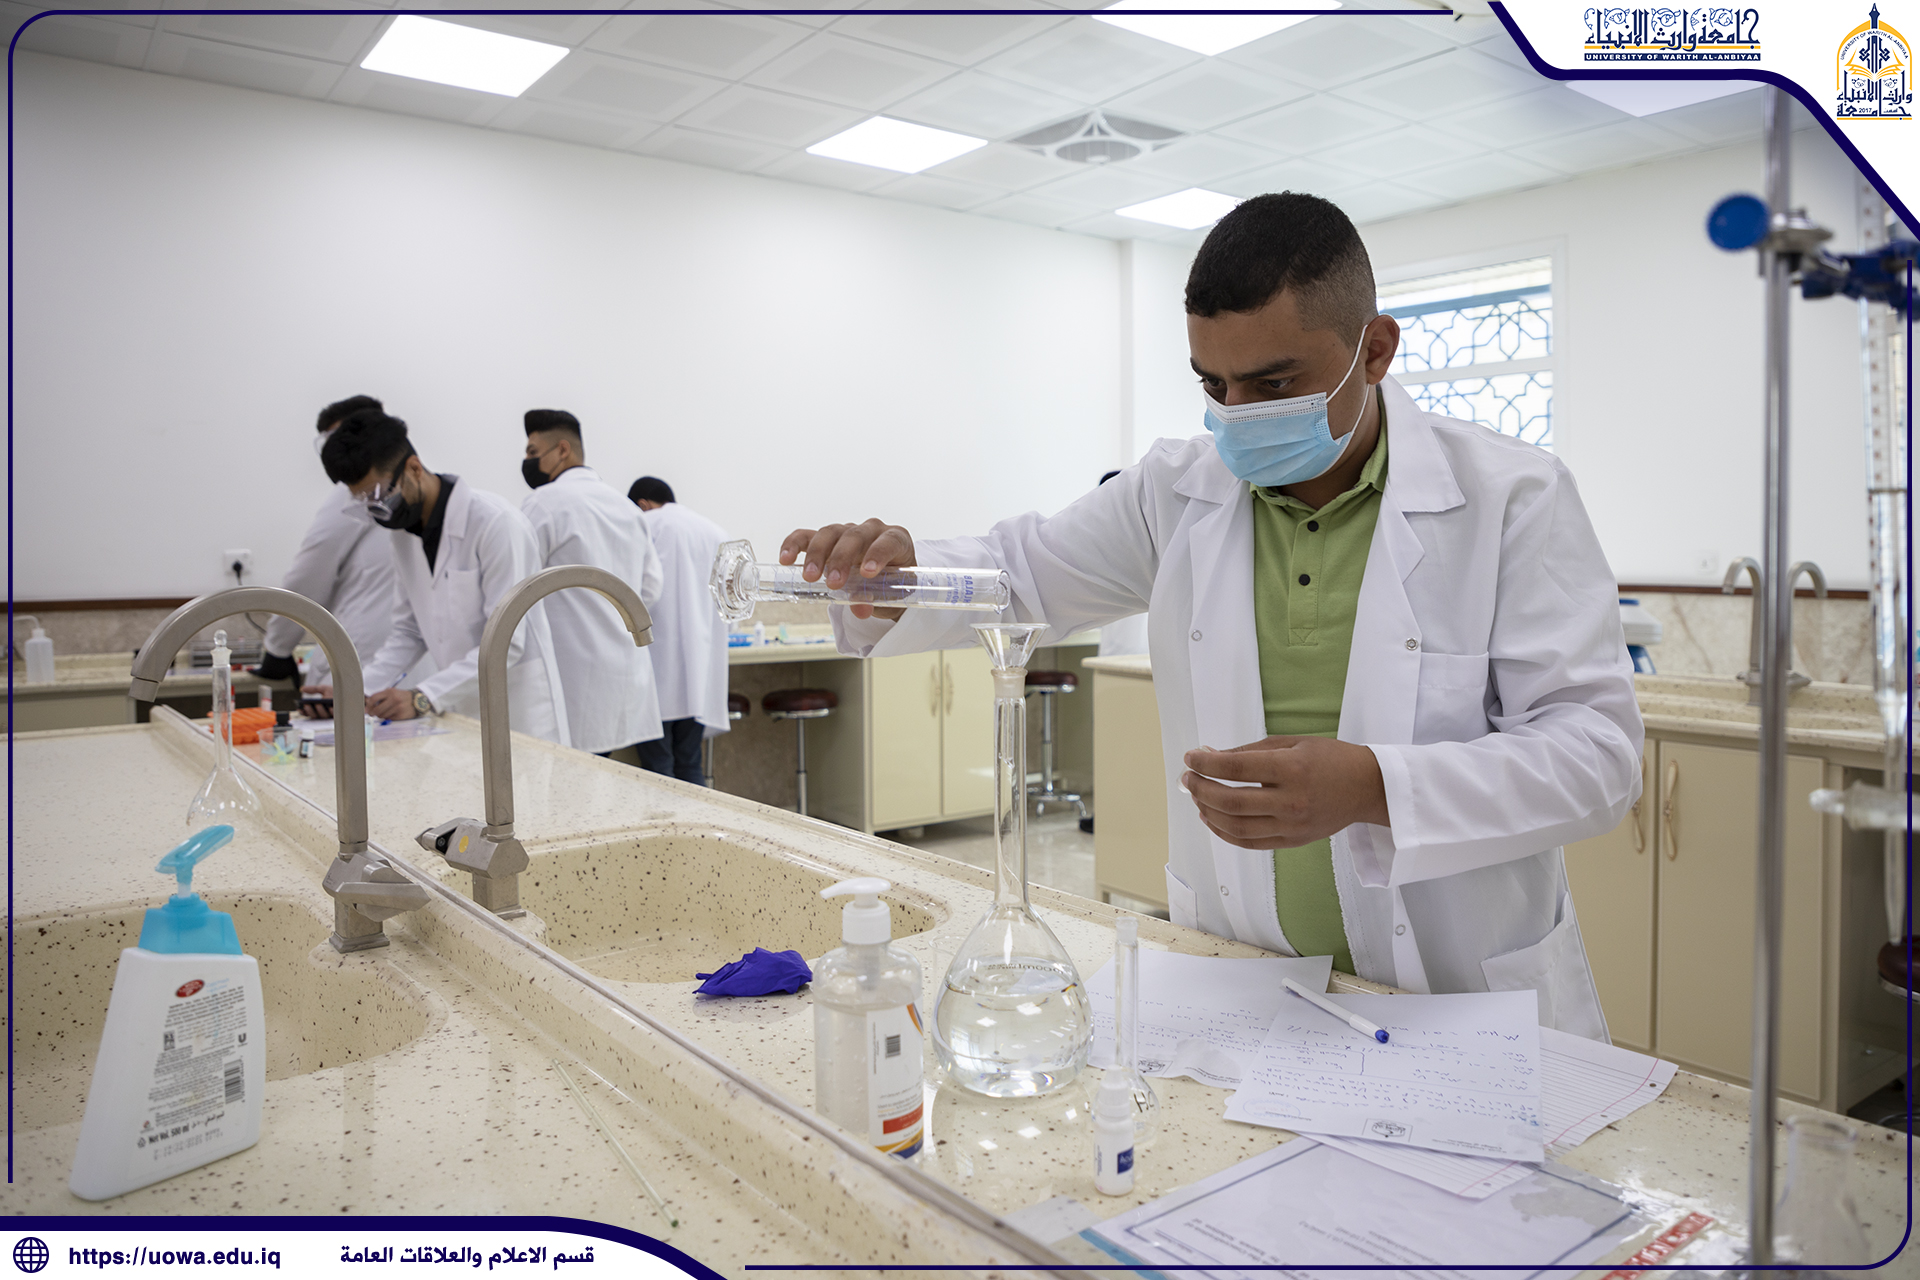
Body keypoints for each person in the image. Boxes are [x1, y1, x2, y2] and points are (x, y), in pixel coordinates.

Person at [779, 193, 1642, 1040]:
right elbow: (1020, 572)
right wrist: (897, 577)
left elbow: (1598, 755)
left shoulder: (1512, 497)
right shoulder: (1176, 493)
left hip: (1458, 996)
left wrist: (1373, 788)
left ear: (1375, 351)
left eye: (1274, 383)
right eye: (1213, 384)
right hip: (1247, 985)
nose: (1237, 414)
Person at [319, 408, 569, 744]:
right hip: (460, 713)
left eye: (382, 496)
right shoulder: (404, 536)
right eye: (366, 503)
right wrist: (354, 689)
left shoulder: (495, 523)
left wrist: (423, 697)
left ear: (414, 468)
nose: (380, 512)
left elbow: (506, 642)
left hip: (520, 715)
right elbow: (409, 631)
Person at [260, 395, 432, 693]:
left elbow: (310, 573)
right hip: (411, 665)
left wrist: (277, 648)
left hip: (366, 654)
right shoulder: (412, 487)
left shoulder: (355, 493)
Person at [520, 409, 664, 758]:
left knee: (564, 782)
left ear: (562, 450)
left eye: (533, 452)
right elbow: (650, 589)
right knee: (597, 780)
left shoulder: (543, 503)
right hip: (623, 675)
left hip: (571, 677)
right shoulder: (627, 509)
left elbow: (518, 588)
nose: (527, 461)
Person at [629, 476, 732, 784]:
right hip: (701, 670)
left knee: (658, 769)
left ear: (642, 505)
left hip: (655, 664)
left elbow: (636, 589)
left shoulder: (646, 524)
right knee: (689, 764)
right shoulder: (714, 531)